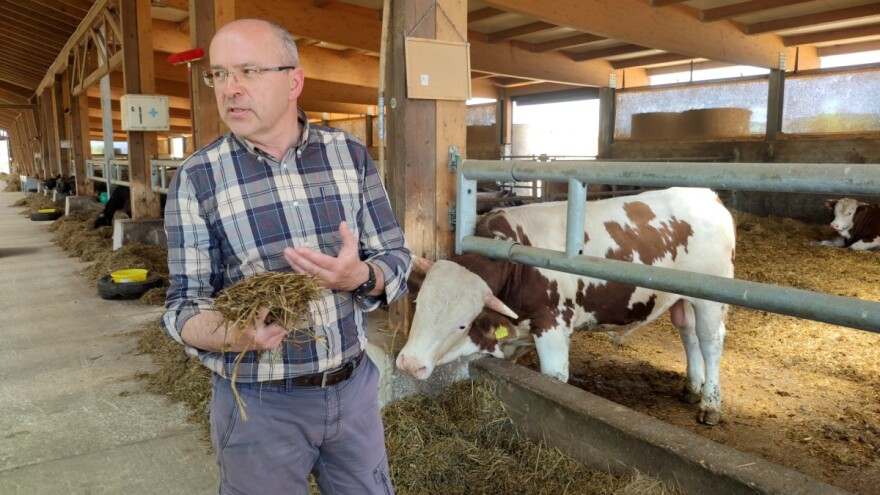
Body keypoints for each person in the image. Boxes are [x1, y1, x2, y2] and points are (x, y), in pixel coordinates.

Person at [161, 18, 411, 495]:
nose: (229, 89)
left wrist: (360, 275)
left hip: (354, 389)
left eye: (248, 71)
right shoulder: (197, 178)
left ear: (293, 80)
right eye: (218, 74)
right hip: (259, 404)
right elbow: (181, 306)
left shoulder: (350, 155)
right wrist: (232, 334)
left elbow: (396, 258)